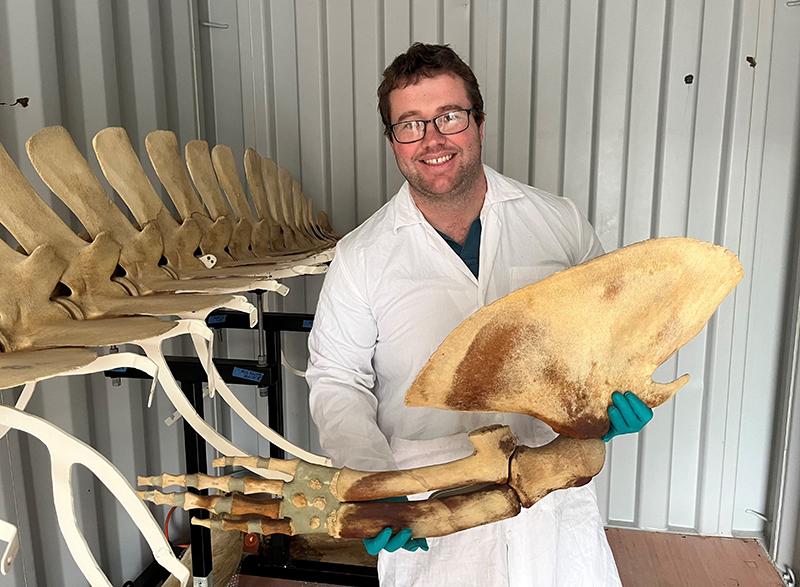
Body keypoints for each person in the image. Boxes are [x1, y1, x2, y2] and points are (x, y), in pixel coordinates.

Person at [307, 42, 651, 587]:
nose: (432, 140)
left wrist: (613, 400)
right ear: (393, 141)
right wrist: (373, 486)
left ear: (479, 123)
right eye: (410, 124)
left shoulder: (558, 225)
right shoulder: (361, 257)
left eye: (448, 117)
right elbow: (337, 379)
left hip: (552, 486)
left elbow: (610, 333)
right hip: (430, 501)